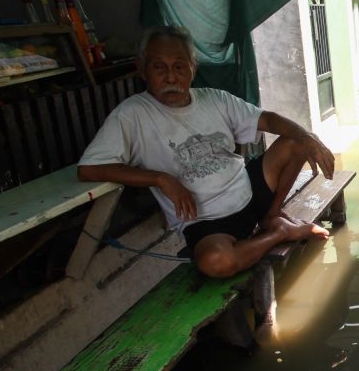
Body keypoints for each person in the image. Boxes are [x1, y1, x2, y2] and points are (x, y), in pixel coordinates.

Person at [77, 25, 335, 279]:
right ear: (141, 69)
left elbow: (266, 119)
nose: (170, 76)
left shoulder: (214, 99)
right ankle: (279, 233)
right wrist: (160, 179)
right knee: (216, 263)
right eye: (159, 67)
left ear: (193, 68)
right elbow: (89, 168)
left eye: (179, 66)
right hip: (207, 222)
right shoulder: (131, 115)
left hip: (248, 189)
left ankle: (272, 215)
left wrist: (309, 137)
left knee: (297, 141)